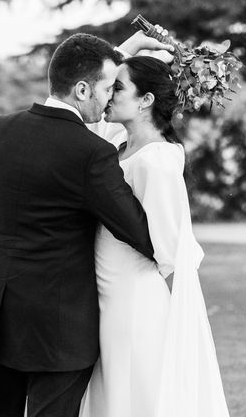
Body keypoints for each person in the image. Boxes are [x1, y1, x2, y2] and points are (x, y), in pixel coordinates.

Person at [0, 32, 174, 417]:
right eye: (106, 87)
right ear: (82, 89)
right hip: (60, 330)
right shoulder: (91, 152)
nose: (110, 96)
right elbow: (138, 231)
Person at [79, 56, 230, 417]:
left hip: (133, 302)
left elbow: (169, 250)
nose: (108, 97)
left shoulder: (156, 161)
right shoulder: (118, 142)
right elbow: (93, 82)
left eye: (118, 88)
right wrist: (135, 46)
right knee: (114, 392)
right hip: (105, 295)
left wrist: (182, 324)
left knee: (135, 394)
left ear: (145, 100)